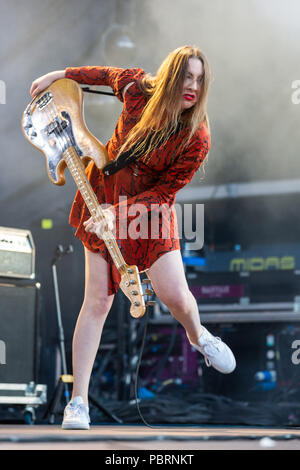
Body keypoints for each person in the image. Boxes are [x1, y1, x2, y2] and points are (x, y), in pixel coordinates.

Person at [30, 45, 236, 430]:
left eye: (199, 80)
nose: (192, 86)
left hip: (148, 214)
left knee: (177, 298)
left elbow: (163, 195)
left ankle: (198, 336)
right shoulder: (137, 88)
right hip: (102, 196)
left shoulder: (197, 137)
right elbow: (100, 74)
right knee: (96, 303)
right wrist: (57, 74)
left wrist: (119, 213)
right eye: (186, 77)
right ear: (172, 76)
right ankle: (78, 403)